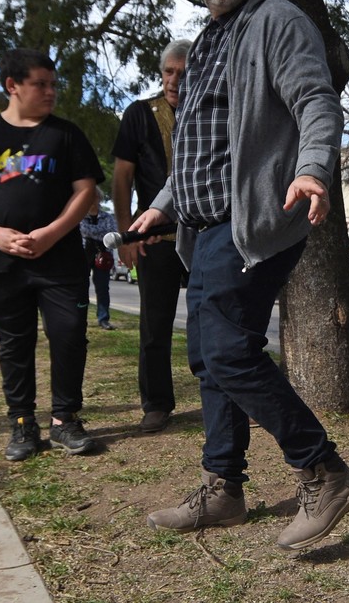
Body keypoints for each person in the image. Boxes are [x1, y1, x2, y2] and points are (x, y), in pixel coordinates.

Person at [129, 0, 349, 551]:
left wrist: (312, 167)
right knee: (209, 358)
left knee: (230, 352)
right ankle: (224, 488)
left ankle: (324, 471)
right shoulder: (209, 38)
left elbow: (315, 100)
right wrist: (161, 202)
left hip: (249, 223)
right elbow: (197, 148)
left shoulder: (277, 22)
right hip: (203, 228)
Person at [0, 48, 103, 462]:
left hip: (60, 259)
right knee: (14, 343)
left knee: (68, 336)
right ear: (12, 86)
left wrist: (51, 233)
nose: (51, 92)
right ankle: (21, 423)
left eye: (53, 85)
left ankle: (65, 420)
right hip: (1, 262)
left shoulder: (66, 135)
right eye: (41, 84)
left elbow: (86, 190)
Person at [111, 39, 191, 433]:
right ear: (161, 75)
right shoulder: (139, 114)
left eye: (183, 71)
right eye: (169, 71)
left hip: (204, 236)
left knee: (214, 321)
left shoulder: (210, 112)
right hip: (154, 239)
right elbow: (122, 177)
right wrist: (126, 233)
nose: (175, 79)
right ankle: (156, 403)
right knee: (154, 325)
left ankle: (223, 393)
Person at [80, 192, 118, 330]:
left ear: (99, 199)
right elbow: (83, 230)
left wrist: (93, 233)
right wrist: (101, 233)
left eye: (94, 197)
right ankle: (80, 317)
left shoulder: (107, 216)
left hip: (103, 256)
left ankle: (103, 319)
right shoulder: (80, 216)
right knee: (81, 287)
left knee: (103, 288)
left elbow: (112, 234)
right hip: (83, 255)